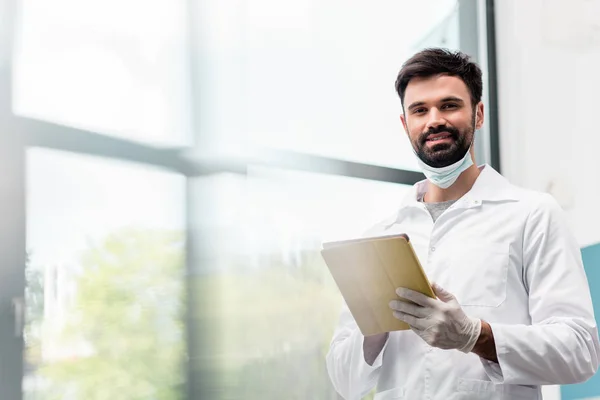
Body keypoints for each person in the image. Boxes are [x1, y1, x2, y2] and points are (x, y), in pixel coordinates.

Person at [325, 48, 600, 400]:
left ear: (479, 114)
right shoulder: (379, 238)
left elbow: (580, 352)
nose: (434, 119)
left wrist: (475, 335)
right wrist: (373, 328)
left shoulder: (532, 214)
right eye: (419, 110)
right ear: (405, 123)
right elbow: (345, 382)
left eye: (449, 105)